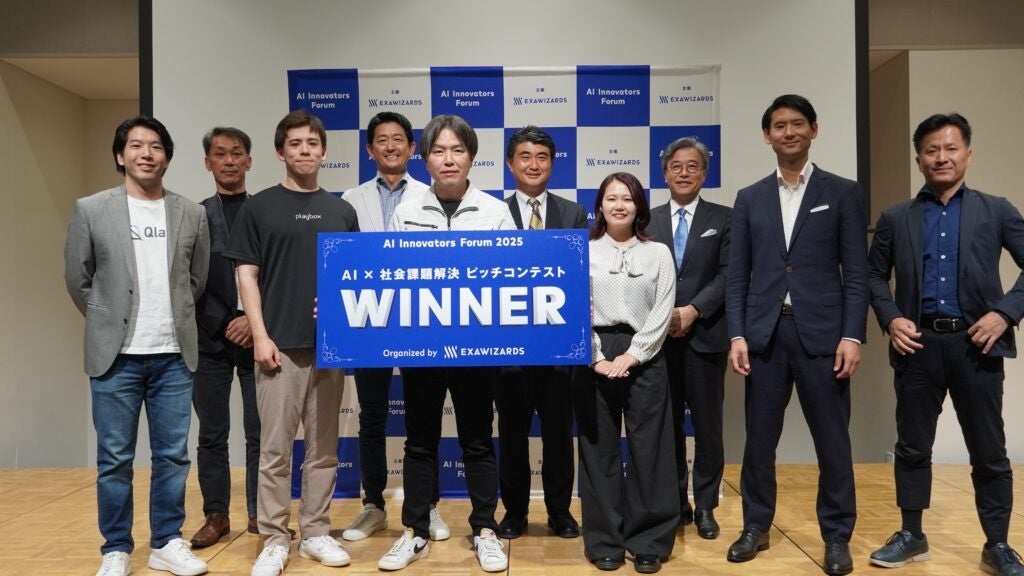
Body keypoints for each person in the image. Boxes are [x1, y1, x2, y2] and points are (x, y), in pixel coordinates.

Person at [866, 113, 1024, 576]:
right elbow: (872, 276)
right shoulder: (896, 217)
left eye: (951, 148)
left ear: (968, 155)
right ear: (919, 159)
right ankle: (912, 534)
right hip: (917, 346)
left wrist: (1005, 312)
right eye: (931, 150)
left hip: (977, 347)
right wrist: (892, 318)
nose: (942, 157)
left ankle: (997, 544)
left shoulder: (996, 210)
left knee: (989, 451)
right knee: (912, 447)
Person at [725, 94, 867, 576]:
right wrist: (737, 334)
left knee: (833, 442)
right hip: (764, 336)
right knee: (759, 442)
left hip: (825, 337)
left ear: (814, 130)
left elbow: (857, 273)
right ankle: (755, 526)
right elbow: (737, 276)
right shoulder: (749, 197)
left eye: (798, 123)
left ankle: (836, 536)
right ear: (767, 136)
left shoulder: (842, 192)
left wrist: (853, 336)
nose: (789, 132)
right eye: (780, 125)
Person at [64, 116, 210, 576]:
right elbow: (78, 278)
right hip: (116, 358)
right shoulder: (92, 209)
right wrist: (106, 318)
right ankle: (116, 548)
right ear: (120, 155)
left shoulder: (191, 212)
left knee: (173, 456)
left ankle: (166, 541)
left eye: (156, 146)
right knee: (114, 459)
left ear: (167, 157)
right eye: (136, 145)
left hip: (173, 355)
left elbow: (197, 279)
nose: (147, 153)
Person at [225, 110, 359, 576]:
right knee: (275, 452)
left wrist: (341, 317)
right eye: (296, 143)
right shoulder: (258, 207)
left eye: (312, 143)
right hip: (278, 349)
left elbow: (354, 280)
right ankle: (275, 538)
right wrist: (260, 336)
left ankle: (316, 532)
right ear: (280, 152)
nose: (305, 150)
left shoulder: (342, 211)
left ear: (324, 152)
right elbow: (246, 275)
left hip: (329, 349)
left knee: (323, 451)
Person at [378, 114, 514, 573]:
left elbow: (510, 281)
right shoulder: (406, 212)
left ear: (471, 157)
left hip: (478, 349)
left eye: (457, 150)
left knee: (477, 441)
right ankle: (414, 531)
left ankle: (485, 530)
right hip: (421, 348)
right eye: (439, 151)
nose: (449, 159)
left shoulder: (495, 212)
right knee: (419, 442)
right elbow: (390, 278)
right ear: (425, 158)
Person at [339, 111, 449, 543]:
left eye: (399, 139)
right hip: (370, 321)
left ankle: (427, 505)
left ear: (412, 148)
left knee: (424, 419)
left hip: (422, 321)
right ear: (370, 149)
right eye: (381, 140)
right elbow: (342, 262)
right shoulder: (350, 199)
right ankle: (374, 505)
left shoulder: (431, 194)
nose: (390, 146)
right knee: (372, 417)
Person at [578, 172, 677, 574]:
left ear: (639, 206)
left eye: (628, 198)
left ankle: (649, 540)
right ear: (600, 206)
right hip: (594, 353)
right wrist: (596, 357)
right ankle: (604, 540)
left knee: (650, 450)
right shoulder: (583, 250)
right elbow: (575, 308)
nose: (619, 205)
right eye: (611, 198)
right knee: (598, 450)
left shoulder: (659, 254)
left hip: (646, 355)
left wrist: (634, 354)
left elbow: (663, 309)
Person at [495, 125, 586, 540]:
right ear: (510, 163)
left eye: (542, 157)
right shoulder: (493, 213)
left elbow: (580, 278)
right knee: (512, 433)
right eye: (525, 157)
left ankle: (559, 511)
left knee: (558, 434)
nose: (534, 165)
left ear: (552, 163)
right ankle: (514, 512)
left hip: (558, 347)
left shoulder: (573, 213)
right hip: (508, 346)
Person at [647, 136, 730, 540]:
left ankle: (707, 505)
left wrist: (694, 310)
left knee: (708, 427)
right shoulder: (646, 220)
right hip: (657, 342)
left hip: (706, 338)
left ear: (704, 173)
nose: (683, 173)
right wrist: (665, 317)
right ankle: (676, 502)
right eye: (676, 166)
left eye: (692, 166)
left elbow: (730, 274)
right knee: (667, 427)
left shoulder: (725, 218)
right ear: (665, 174)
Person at [188, 127, 262, 549]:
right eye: (220, 154)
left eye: (237, 153)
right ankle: (216, 515)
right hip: (209, 340)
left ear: (249, 161)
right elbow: (186, 282)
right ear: (208, 162)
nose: (229, 161)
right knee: (212, 434)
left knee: (260, 432)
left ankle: (259, 512)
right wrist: (224, 321)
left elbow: (278, 274)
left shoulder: (264, 211)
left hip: (259, 338)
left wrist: (251, 320)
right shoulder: (194, 216)